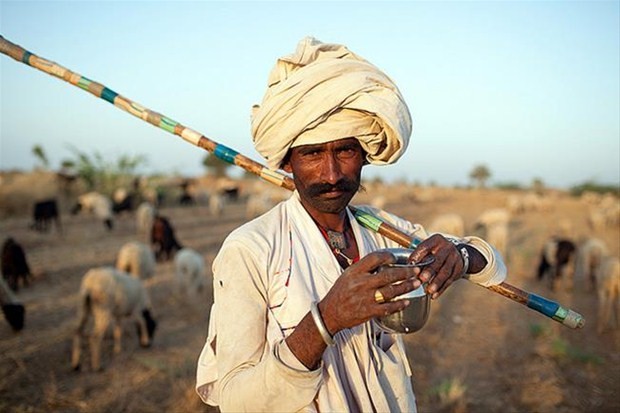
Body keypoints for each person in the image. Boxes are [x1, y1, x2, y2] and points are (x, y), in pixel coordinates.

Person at [196, 36, 507, 412]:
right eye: (312, 154)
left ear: (363, 156)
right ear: (286, 163)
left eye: (344, 151)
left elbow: (488, 264)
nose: (331, 174)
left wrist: (459, 254)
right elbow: (236, 400)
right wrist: (327, 318)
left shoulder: (382, 230)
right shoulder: (251, 249)